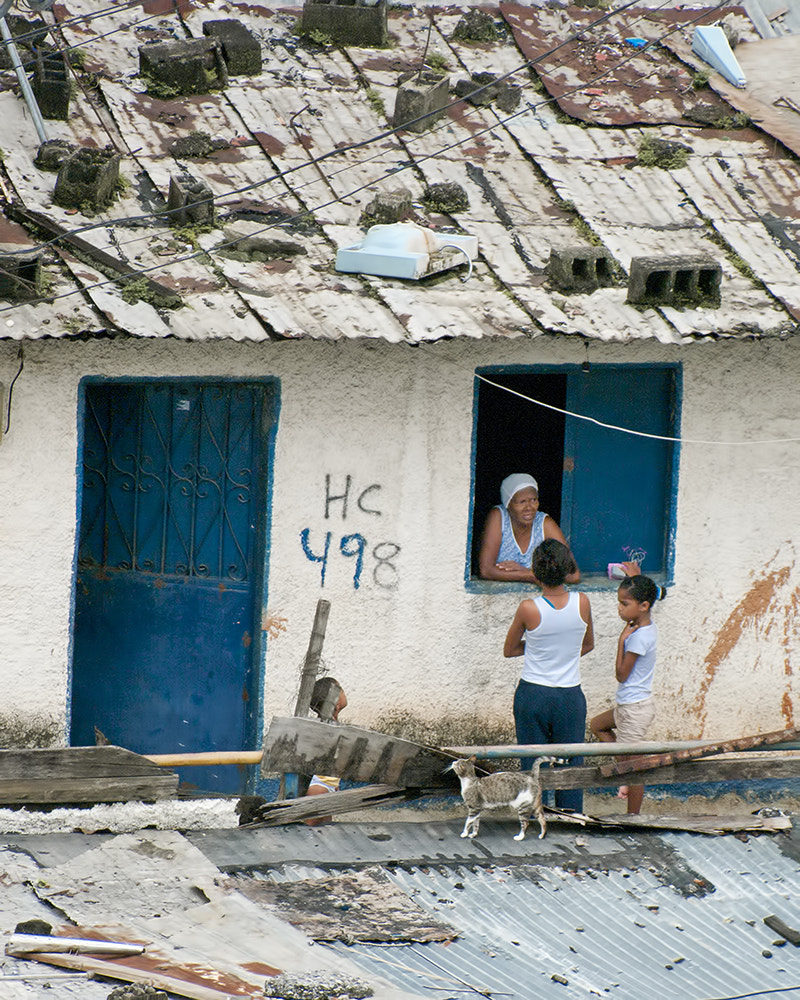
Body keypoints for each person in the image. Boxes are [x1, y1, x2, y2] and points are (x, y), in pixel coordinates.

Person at [503, 538, 594, 812]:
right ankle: (569, 816)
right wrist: (562, 653)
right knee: (570, 765)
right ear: (567, 569)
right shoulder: (583, 602)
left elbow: (509, 650)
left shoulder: (529, 608)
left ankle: (530, 817)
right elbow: (588, 644)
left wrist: (540, 649)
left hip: (533, 694)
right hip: (570, 696)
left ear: (535, 571)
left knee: (531, 765)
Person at [589, 575, 665, 815]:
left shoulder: (638, 637)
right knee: (598, 725)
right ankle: (623, 776)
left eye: (624, 603)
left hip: (634, 709)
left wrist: (621, 641)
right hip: (629, 705)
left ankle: (633, 817)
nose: (619, 608)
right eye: (620, 602)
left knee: (636, 768)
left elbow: (621, 675)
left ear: (643, 606)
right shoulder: (646, 627)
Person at [479, 473, 580, 583]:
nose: (529, 508)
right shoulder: (498, 516)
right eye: (522, 502)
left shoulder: (545, 524)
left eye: (533, 500)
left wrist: (529, 573)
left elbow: (573, 575)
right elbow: (486, 570)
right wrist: (531, 576)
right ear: (508, 504)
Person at [304, 676, 348, 826]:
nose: (344, 691)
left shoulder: (332, 726)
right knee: (308, 831)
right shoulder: (327, 729)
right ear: (335, 702)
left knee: (324, 831)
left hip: (328, 785)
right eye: (340, 688)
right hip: (320, 787)